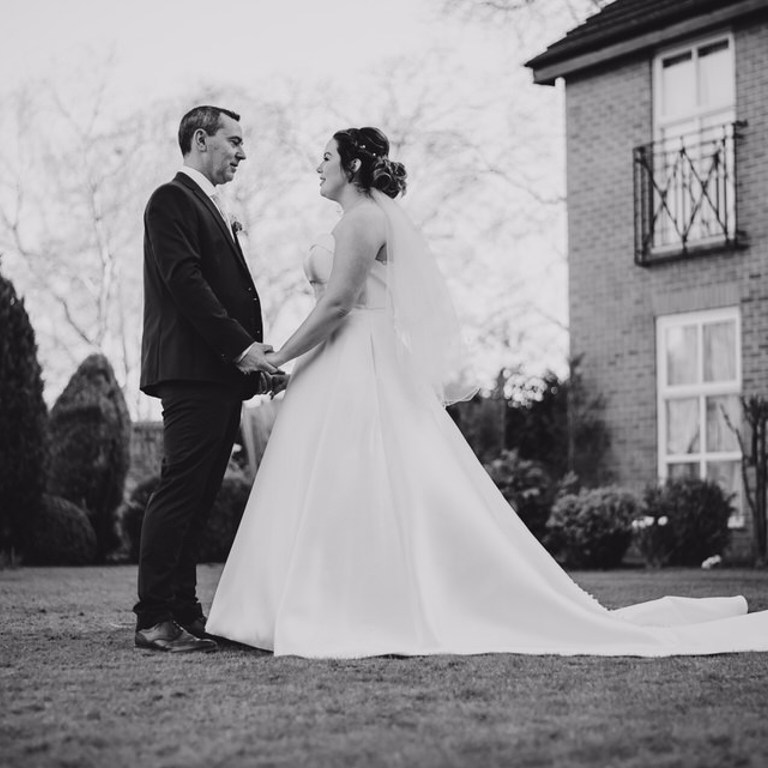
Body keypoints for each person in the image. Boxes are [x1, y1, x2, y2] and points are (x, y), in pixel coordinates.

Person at [206, 126, 768, 658]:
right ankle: (321, 601)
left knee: (357, 480)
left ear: (352, 165)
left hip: (358, 360)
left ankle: (338, 607)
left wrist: (277, 355)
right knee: (347, 484)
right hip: (344, 361)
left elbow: (335, 305)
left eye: (326, 157)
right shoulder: (368, 218)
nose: (318, 166)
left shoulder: (361, 221)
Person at [134, 105, 285, 654]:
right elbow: (186, 282)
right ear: (202, 140)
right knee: (179, 492)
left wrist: (253, 361)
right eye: (235, 141)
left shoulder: (214, 206)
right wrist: (241, 348)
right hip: (191, 373)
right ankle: (154, 618)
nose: (243, 153)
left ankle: (184, 611)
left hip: (217, 375)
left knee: (198, 499)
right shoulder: (171, 199)